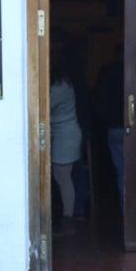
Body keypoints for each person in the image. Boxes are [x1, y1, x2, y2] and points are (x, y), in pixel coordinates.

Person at [50, 60, 84, 236]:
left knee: (63, 177)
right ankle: (68, 215)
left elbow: (43, 107)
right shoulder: (66, 84)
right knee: (64, 176)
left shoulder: (57, 89)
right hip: (68, 134)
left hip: (65, 136)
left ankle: (67, 218)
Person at [94, 43, 125, 207]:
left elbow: (99, 101)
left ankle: (125, 208)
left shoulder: (107, 73)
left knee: (121, 169)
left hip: (113, 127)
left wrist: (105, 121)